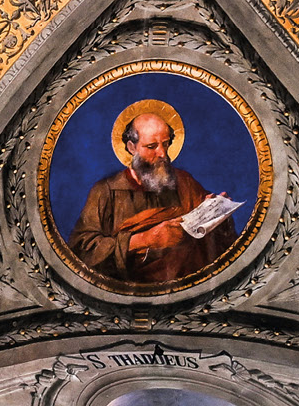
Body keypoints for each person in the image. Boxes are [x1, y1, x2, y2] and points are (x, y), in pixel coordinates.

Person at [67, 106, 237, 288]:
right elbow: (82, 250)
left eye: (166, 144)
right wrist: (145, 239)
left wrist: (217, 212)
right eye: (151, 146)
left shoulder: (184, 182)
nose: (162, 153)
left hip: (186, 289)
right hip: (130, 293)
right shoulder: (106, 191)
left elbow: (215, 245)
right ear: (131, 147)